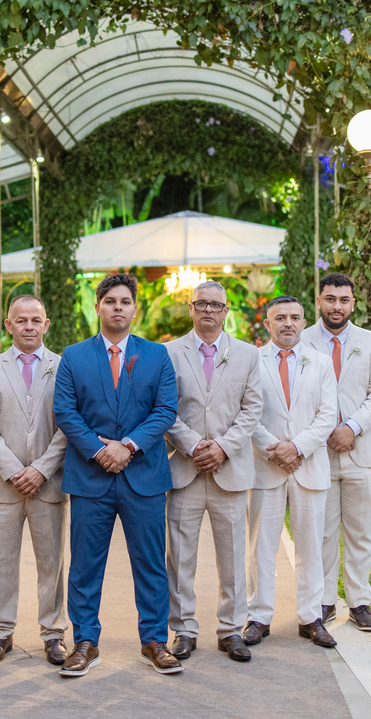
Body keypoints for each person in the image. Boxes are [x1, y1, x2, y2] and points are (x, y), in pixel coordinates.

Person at [52, 273, 180, 677]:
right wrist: (99, 449)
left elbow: (165, 409)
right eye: (110, 301)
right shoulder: (74, 356)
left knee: (151, 564)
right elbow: (65, 411)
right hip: (90, 477)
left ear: (134, 309)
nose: (118, 308)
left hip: (144, 477)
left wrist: (128, 446)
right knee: (85, 566)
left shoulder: (157, 355)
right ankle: (85, 641)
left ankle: (154, 641)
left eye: (125, 302)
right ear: (98, 307)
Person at [163, 281, 263, 663]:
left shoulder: (247, 354)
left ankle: (231, 630)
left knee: (233, 556)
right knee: (180, 558)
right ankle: (184, 629)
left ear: (225, 311)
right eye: (201, 303)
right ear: (191, 308)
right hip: (184, 470)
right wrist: (193, 445)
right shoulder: (169, 353)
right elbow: (163, 408)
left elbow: (252, 409)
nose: (208, 310)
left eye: (215, 305)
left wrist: (222, 447)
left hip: (229, 470)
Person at [0, 295, 69, 665]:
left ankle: (53, 633)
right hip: (2, 486)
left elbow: (68, 425)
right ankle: (0, 632)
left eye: (36, 320)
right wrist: (15, 471)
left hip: (49, 485)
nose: (29, 326)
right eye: (21, 320)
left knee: (51, 565)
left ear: (46, 325)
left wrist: (41, 469)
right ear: (8, 324)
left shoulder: (63, 366)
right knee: (1, 562)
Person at [243, 295, 337, 649]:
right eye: (280, 317)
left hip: (308, 465)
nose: (288, 323)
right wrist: (276, 449)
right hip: (265, 467)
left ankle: (311, 617)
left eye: (295, 317)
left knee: (311, 546)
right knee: (260, 546)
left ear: (304, 322)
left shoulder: (321, 362)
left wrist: (296, 447)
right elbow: (247, 413)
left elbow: (328, 415)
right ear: (267, 324)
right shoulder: (252, 361)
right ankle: (258, 616)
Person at [300, 273, 371, 632]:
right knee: (321, 533)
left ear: (353, 303)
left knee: (360, 532)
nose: (337, 306)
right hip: (317, 454)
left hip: (362, 452)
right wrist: (324, 432)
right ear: (319, 301)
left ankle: (359, 602)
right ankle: (323, 601)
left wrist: (351, 427)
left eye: (344, 299)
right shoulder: (302, 340)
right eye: (330, 299)